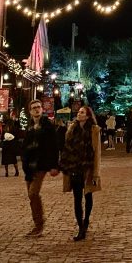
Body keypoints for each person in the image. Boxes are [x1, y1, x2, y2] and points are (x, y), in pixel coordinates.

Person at [60, 105, 102, 241]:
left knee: (88, 196)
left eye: (82, 112)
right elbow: (66, 148)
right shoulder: (71, 129)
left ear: (88, 116)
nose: (79, 114)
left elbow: (97, 154)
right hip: (74, 167)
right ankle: (81, 227)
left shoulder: (94, 130)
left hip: (88, 168)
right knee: (77, 199)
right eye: (78, 112)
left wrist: (96, 173)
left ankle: (86, 220)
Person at [21, 99, 60, 237]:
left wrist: (54, 165)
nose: (37, 110)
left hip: (41, 165)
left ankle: (39, 225)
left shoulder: (47, 126)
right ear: (30, 111)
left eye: (38, 107)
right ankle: (37, 224)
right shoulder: (30, 127)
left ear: (42, 109)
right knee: (31, 196)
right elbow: (25, 146)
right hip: (29, 167)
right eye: (34, 108)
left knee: (33, 193)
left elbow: (53, 146)